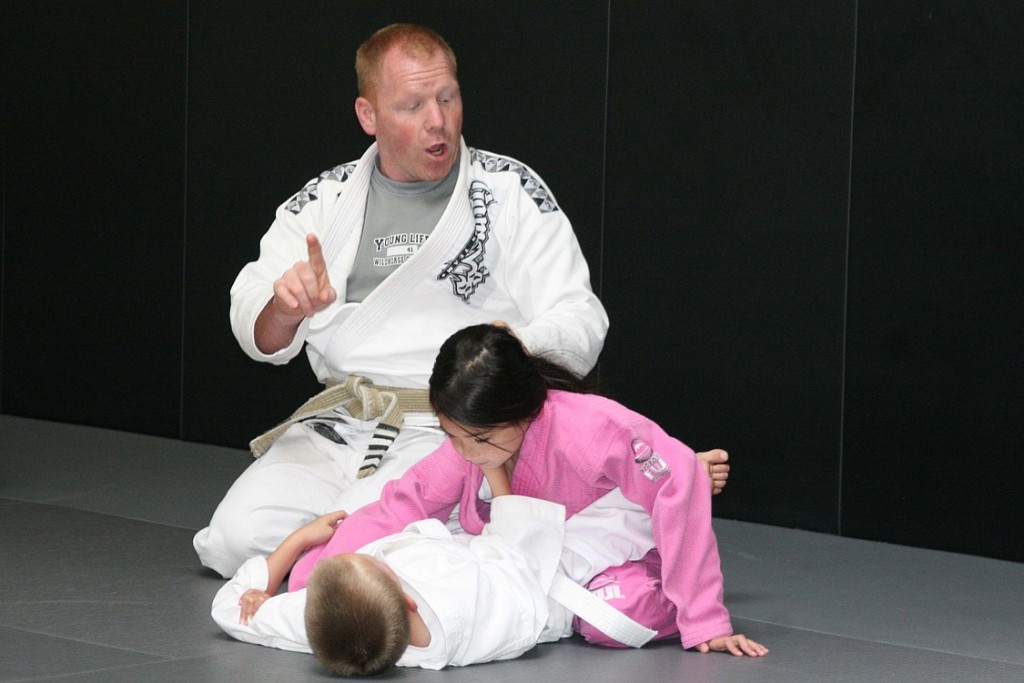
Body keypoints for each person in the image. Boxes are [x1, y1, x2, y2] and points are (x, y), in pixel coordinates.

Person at [194, 23, 727, 578]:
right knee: (235, 539)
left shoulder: (508, 191)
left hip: (450, 437)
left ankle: (389, 550)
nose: (438, 121)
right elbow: (252, 317)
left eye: (447, 97)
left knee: (351, 547)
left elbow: (581, 317)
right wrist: (285, 309)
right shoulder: (323, 200)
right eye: (413, 105)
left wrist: (516, 349)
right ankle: (405, 555)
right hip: (341, 426)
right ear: (368, 115)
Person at [287, 324, 765, 656]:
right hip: (535, 555)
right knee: (417, 537)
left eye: (480, 438)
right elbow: (402, 501)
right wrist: (322, 582)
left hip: (614, 545)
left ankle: (660, 494)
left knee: (608, 619)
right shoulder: (467, 446)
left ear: (526, 410)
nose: (466, 451)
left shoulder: (591, 428)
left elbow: (674, 481)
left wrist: (704, 618)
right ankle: (662, 469)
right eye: (451, 434)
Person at [212, 465, 673, 673]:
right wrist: (494, 470)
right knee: (620, 522)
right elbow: (517, 550)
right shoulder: (465, 600)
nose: (371, 551)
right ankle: (673, 481)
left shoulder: (326, 628)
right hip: (540, 582)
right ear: (409, 597)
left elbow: (231, 612)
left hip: (484, 551)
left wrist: (294, 546)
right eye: (376, 560)